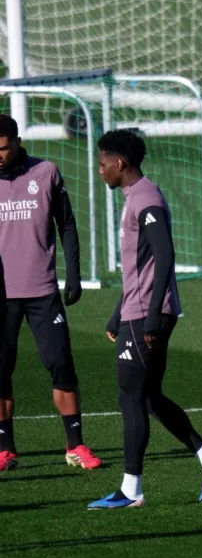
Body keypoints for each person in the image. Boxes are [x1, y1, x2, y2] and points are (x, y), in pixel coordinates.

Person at [89, 129, 202, 509]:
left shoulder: (146, 199)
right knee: (148, 396)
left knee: (130, 396)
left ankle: (131, 489)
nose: (100, 171)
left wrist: (150, 316)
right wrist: (117, 311)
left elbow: (165, 256)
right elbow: (142, 265)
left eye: (103, 164)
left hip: (146, 316)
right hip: (136, 312)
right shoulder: (134, 196)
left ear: (120, 164)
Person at [0, 114, 101, 472]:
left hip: (43, 290)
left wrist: (73, 273)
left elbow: (67, 224)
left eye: (3, 148)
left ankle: (76, 445)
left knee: (61, 364)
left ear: (16, 141)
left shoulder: (45, 172)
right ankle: (5, 449)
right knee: (0, 372)